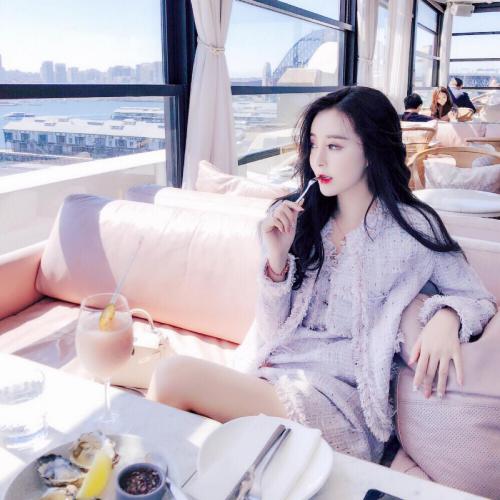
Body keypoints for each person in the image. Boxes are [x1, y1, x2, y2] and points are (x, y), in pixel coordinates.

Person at [147, 87, 496, 463]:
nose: (318, 160)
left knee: (173, 377)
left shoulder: (413, 228)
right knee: (197, 444)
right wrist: (277, 262)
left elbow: (479, 299)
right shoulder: (300, 218)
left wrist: (447, 317)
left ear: (371, 151)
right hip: (275, 375)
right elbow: (270, 332)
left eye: (335, 146)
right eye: (314, 144)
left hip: (341, 402)